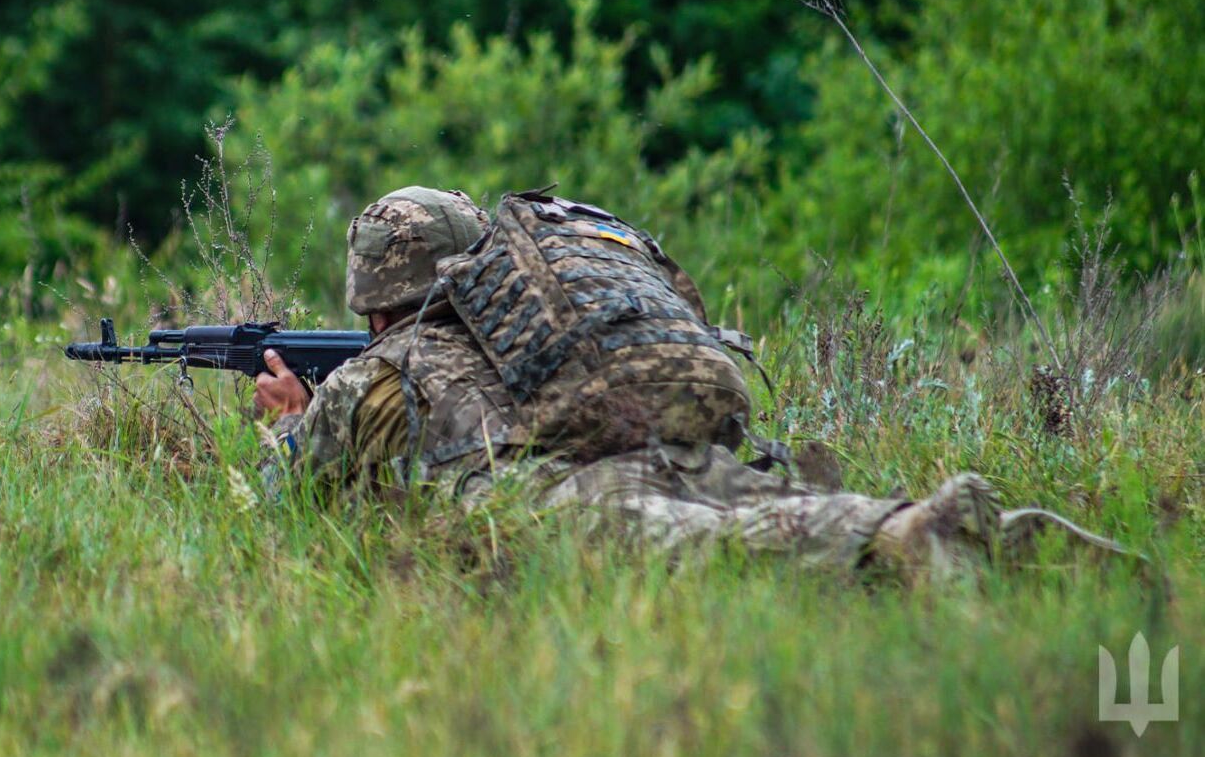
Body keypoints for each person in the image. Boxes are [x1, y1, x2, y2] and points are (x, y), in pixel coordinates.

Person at [254, 186, 1128, 580]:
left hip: (557, 505)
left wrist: (289, 420)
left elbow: (289, 499)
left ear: (375, 294)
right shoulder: (528, 322)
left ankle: (911, 535)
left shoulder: (380, 369)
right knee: (770, 503)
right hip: (661, 453)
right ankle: (984, 535)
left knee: (732, 545)